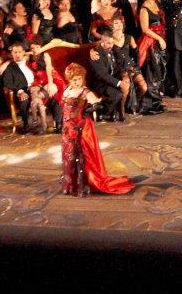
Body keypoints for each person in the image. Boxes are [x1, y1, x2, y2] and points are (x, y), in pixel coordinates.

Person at [58, 64, 135, 196]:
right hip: (67, 128)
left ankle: (82, 186)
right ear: (69, 80)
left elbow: (97, 103)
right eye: (74, 79)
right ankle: (69, 184)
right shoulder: (67, 89)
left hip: (80, 127)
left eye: (79, 79)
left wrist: (90, 108)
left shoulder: (85, 92)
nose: (77, 82)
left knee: (80, 156)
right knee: (68, 155)